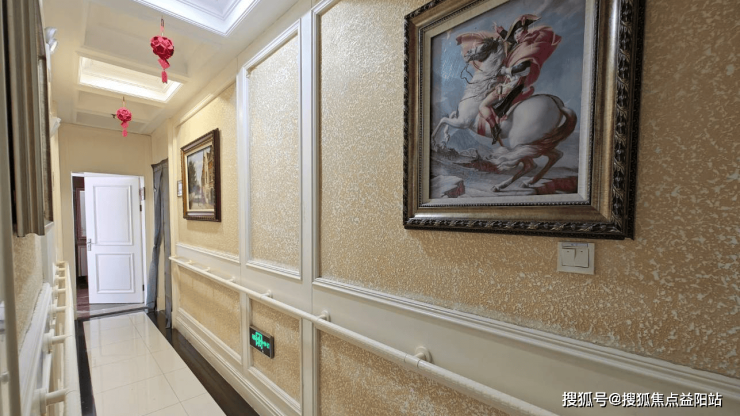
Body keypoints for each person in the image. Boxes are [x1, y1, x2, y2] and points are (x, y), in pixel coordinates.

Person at [479, 14, 561, 145]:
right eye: (515, 33)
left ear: (525, 31)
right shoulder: (523, 43)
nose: (516, 35)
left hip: (512, 85)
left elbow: (525, 68)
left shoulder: (527, 46)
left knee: (483, 105)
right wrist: (500, 31)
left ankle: (495, 130)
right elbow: (512, 39)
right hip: (511, 81)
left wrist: (505, 71)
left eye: (519, 32)